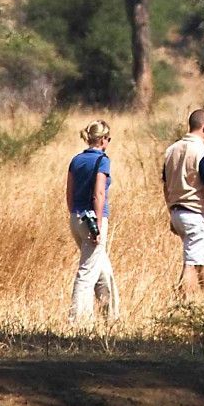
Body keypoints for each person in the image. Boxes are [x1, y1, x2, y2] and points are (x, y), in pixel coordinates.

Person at [162, 109, 204, 297]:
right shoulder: (203, 153)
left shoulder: (171, 150)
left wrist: (172, 212)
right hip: (194, 214)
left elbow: (166, 186)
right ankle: (186, 304)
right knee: (192, 263)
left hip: (177, 212)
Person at [66, 119, 119, 322]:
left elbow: (69, 194)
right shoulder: (102, 160)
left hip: (76, 218)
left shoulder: (76, 160)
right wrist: (97, 224)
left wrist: (75, 214)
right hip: (93, 220)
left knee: (103, 269)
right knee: (87, 273)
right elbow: (99, 193)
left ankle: (111, 317)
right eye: (108, 139)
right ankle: (77, 321)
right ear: (103, 139)